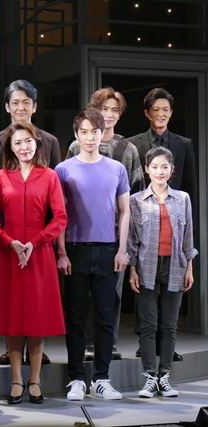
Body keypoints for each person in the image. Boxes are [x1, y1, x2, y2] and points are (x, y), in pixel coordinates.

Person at [0, 122, 67, 405]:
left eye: (29, 141)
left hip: (38, 255)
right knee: (13, 321)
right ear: (11, 147)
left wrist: (35, 242)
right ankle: (16, 380)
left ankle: (35, 380)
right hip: (9, 256)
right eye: (18, 142)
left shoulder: (49, 176)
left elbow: (59, 218)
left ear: (37, 144)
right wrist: (9, 242)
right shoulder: (1, 177)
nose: (24, 147)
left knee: (36, 319)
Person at [0, 79, 60, 366]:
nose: (21, 108)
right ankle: (11, 348)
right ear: (7, 107)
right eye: (15, 102)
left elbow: (55, 196)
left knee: (37, 296)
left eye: (26, 102)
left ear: (35, 106)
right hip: (7, 235)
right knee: (11, 298)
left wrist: (46, 239)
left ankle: (37, 349)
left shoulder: (49, 141)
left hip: (40, 236)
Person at [56, 108, 130, 401]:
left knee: (105, 317)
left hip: (108, 249)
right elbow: (59, 215)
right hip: (75, 250)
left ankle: (102, 378)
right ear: (76, 135)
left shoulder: (117, 168)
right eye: (84, 132)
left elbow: (125, 211)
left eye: (94, 132)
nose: (89, 137)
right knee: (74, 317)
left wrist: (122, 249)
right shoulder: (63, 169)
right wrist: (62, 252)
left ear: (102, 134)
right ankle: (76, 378)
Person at [66, 87, 144, 361]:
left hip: (115, 235)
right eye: (104, 109)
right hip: (81, 235)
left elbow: (135, 198)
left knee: (112, 294)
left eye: (114, 110)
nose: (109, 115)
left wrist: (128, 244)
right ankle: (87, 346)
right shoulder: (76, 147)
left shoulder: (128, 150)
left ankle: (108, 345)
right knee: (82, 298)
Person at [129, 88, 197, 362]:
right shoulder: (134, 144)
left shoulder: (183, 144)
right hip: (145, 220)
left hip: (174, 221)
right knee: (145, 290)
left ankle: (166, 344)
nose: (160, 114)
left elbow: (190, 185)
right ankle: (144, 342)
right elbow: (133, 186)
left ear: (171, 113)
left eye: (165, 110)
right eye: (155, 109)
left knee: (170, 293)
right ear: (147, 113)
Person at [128, 146, 197, 399]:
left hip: (175, 265)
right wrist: (132, 269)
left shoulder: (183, 198)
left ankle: (164, 376)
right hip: (146, 266)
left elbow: (188, 235)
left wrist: (189, 267)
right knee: (148, 325)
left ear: (172, 170)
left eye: (164, 167)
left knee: (169, 325)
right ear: (147, 169)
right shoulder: (136, 200)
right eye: (155, 167)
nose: (160, 171)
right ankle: (149, 377)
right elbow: (132, 239)